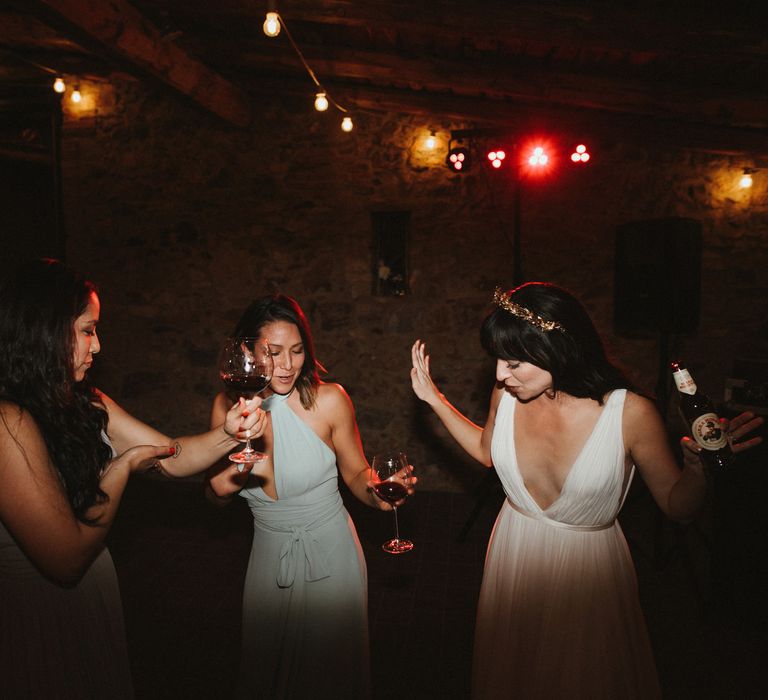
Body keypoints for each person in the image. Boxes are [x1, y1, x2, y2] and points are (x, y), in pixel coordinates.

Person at [410, 282, 763, 700]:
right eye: (499, 362)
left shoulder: (630, 413)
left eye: (515, 363)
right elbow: (488, 452)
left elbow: (677, 507)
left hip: (587, 573)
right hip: (514, 553)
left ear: (558, 350)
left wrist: (699, 470)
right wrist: (435, 400)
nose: (502, 374)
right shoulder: (506, 394)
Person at [0, 258, 262, 699]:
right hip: (39, 615)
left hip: (89, 601)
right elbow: (64, 560)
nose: (98, 346)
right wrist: (119, 470)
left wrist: (227, 433)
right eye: (87, 330)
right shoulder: (7, 421)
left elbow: (171, 457)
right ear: (45, 330)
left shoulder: (84, 401)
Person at [207, 293, 414, 700]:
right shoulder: (226, 408)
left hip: (331, 555)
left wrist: (380, 497)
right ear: (247, 350)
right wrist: (226, 482)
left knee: (330, 674)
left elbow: (356, 473)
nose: (287, 365)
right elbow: (215, 497)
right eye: (274, 352)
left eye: (298, 351)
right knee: (266, 668)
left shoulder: (330, 400)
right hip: (269, 557)